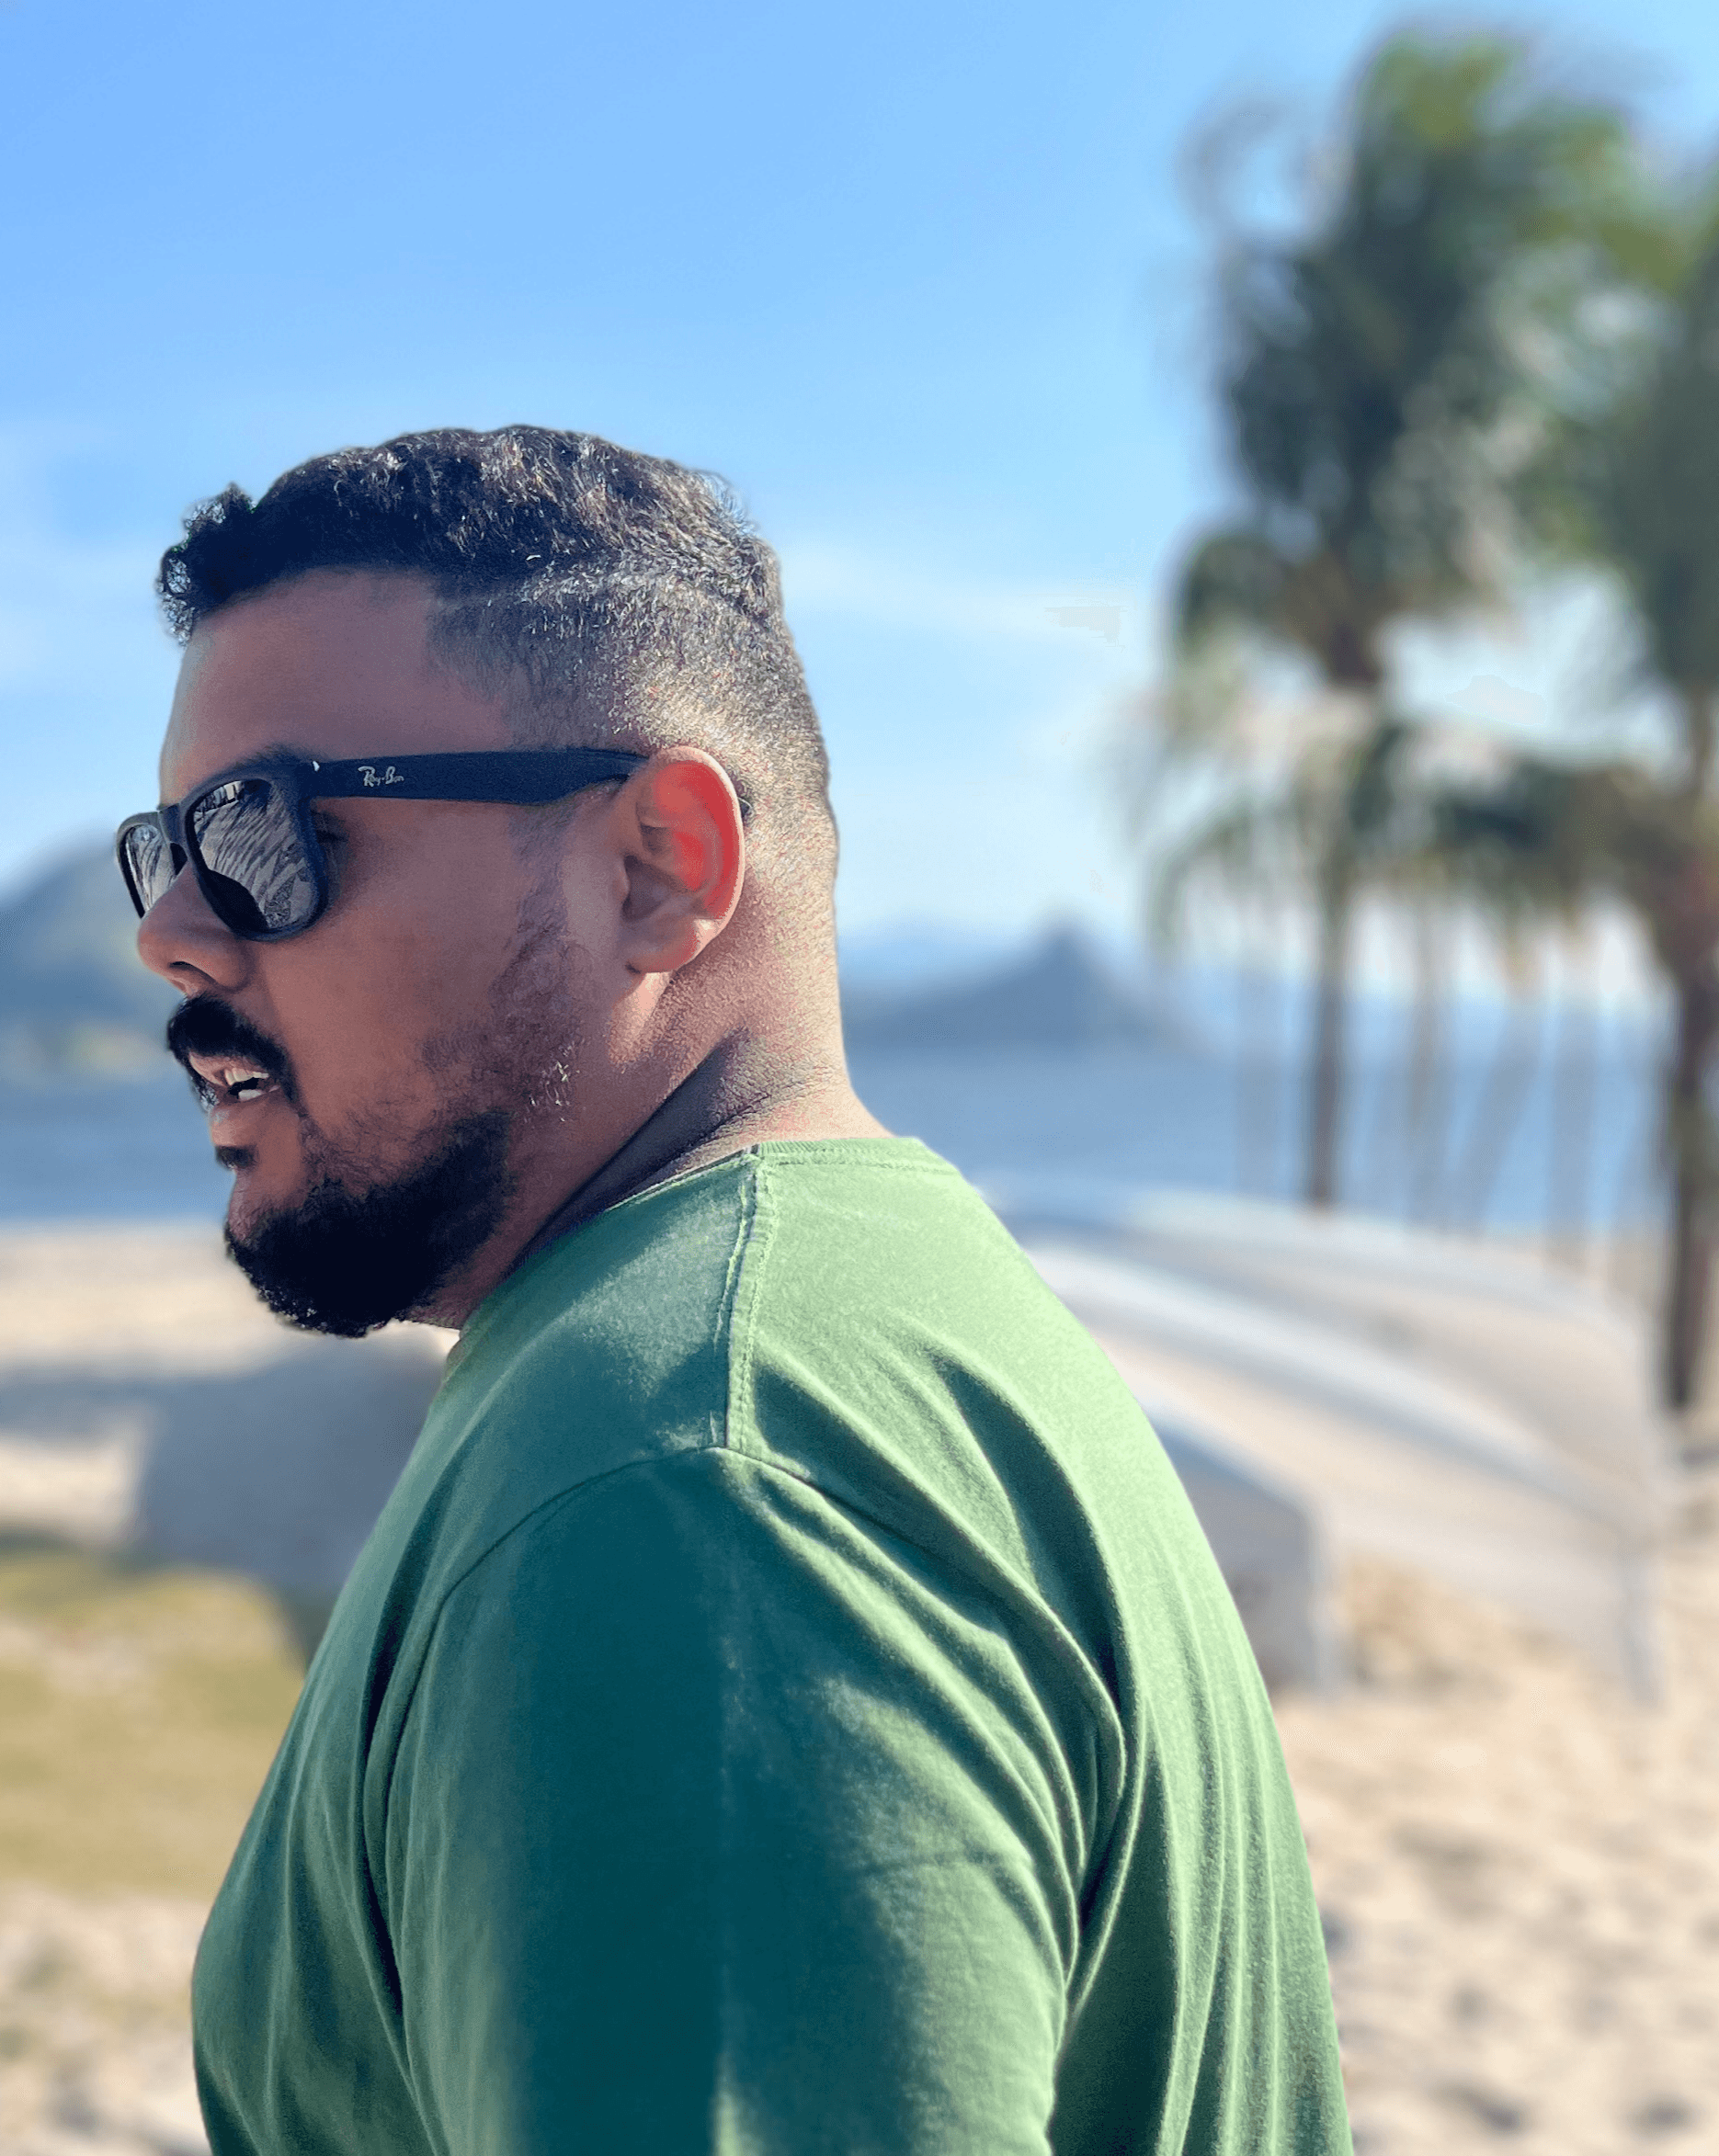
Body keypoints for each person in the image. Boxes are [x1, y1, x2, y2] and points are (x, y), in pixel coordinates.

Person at [124, 426, 1349, 2154]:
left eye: (259, 833)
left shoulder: (690, 1486)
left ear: (658, 866)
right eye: (160, 847)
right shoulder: (881, 1297)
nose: (172, 927)